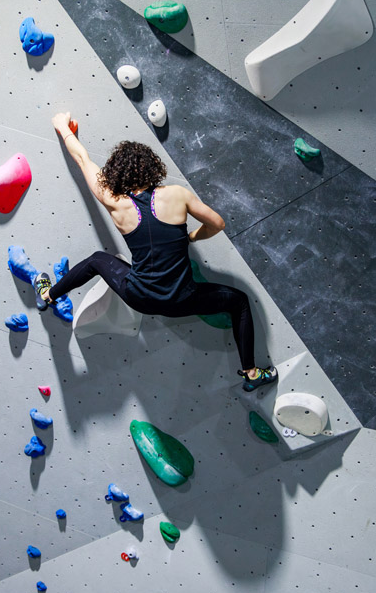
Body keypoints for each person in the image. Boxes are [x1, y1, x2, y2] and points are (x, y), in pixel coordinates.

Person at [36, 112, 276, 391]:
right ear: (153, 168)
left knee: (98, 260)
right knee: (239, 302)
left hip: (140, 297)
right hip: (182, 300)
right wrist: (191, 237)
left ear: (117, 173)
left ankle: (47, 295)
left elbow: (83, 160)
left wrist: (63, 128)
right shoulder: (177, 194)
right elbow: (217, 223)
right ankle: (251, 373)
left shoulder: (114, 201)